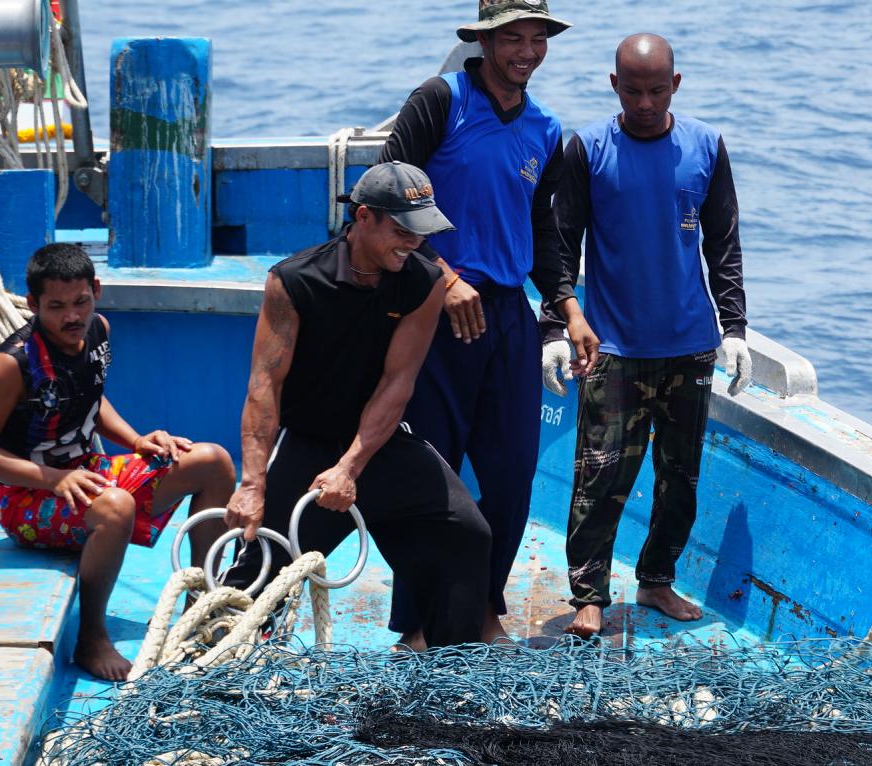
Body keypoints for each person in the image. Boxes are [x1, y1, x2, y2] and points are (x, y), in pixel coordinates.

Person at [377, 0, 598, 646]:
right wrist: (442, 279)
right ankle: (416, 622)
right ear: (484, 41)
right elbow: (384, 194)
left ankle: (482, 608)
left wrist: (570, 309)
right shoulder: (440, 101)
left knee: (509, 474)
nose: (526, 52)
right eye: (512, 39)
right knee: (430, 473)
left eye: (538, 39)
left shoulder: (545, 129)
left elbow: (545, 235)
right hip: (432, 309)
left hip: (506, 318)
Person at [221, 161, 493, 648]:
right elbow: (264, 387)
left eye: (422, 231)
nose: (413, 242)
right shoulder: (294, 281)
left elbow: (397, 383)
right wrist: (252, 483)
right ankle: (211, 665)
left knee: (466, 533)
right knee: (257, 572)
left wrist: (350, 467)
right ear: (363, 217)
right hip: (308, 444)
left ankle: (449, 671)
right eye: (402, 229)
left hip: (380, 443)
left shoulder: (424, 282)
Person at [540, 33, 752, 639]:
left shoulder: (706, 146)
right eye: (632, 91)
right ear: (614, 87)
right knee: (599, 474)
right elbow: (561, 244)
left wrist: (734, 327)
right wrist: (556, 325)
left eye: (657, 90)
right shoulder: (588, 149)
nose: (645, 102)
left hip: (689, 344)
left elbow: (723, 244)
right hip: (611, 348)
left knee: (679, 475)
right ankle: (590, 595)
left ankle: (656, 580)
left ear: (676, 86)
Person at [0, 243, 237, 680]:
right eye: (56, 307)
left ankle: (200, 609)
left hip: (87, 473)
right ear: (32, 304)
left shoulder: (97, 331)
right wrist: (52, 479)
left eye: (81, 302)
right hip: (26, 496)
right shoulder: (9, 365)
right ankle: (91, 638)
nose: (72, 316)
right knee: (115, 505)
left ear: (97, 290)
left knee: (212, 461)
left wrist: (136, 440)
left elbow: (90, 397)